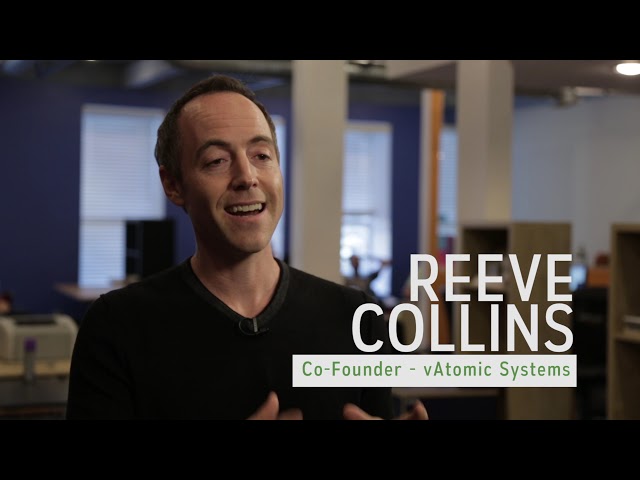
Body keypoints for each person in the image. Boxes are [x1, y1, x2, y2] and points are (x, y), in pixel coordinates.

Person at [66, 74, 428, 420]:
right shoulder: (117, 327)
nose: (246, 177)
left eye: (261, 155)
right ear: (173, 184)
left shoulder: (357, 318)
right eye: (216, 161)